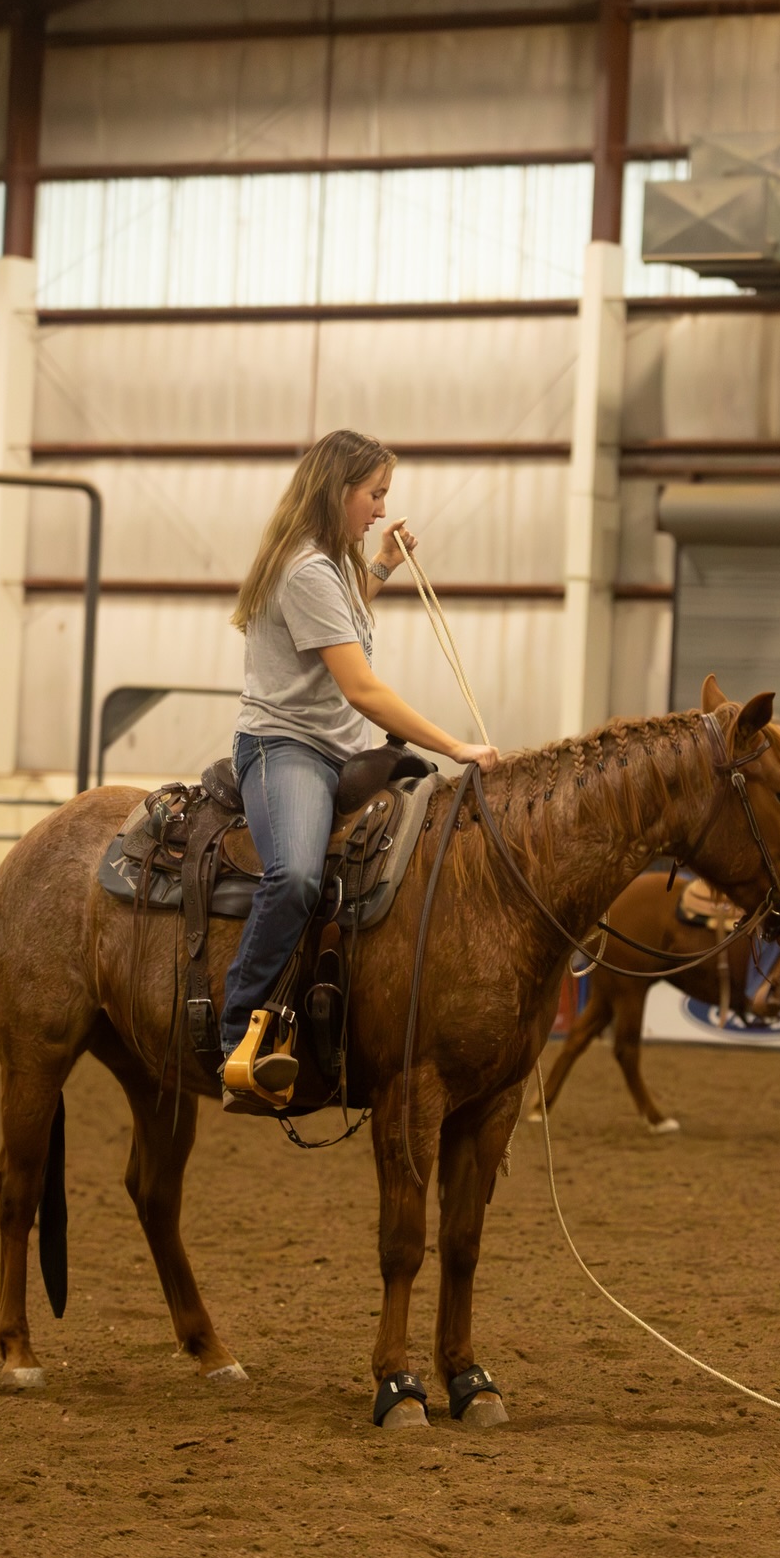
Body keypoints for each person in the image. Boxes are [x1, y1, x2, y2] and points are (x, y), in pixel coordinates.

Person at [220, 428, 497, 1107]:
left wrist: (381, 567)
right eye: (374, 495)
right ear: (338, 491)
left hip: (340, 748)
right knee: (295, 877)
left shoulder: (333, 562)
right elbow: (364, 689)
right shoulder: (307, 568)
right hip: (287, 748)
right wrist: (456, 746)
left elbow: (342, 626)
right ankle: (235, 1034)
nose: (380, 508)